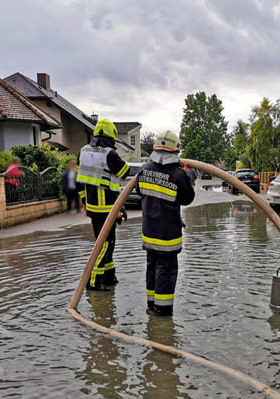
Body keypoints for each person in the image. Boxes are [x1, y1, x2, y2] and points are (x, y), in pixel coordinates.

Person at [136, 130, 195, 316]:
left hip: (149, 233)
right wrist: (189, 176)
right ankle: (162, 313)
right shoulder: (178, 175)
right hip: (168, 236)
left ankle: (151, 306)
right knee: (166, 272)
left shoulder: (144, 170)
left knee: (152, 267)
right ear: (174, 152)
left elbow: (139, 191)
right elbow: (187, 199)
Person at [77, 119, 130, 291]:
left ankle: (108, 277)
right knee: (106, 244)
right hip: (107, 207)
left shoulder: (83, 152)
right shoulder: (109, 154)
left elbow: (81, 181)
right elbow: (124, 172)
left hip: (93, 207)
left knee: (107, 243)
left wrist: (84, 202)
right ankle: (93, 281)